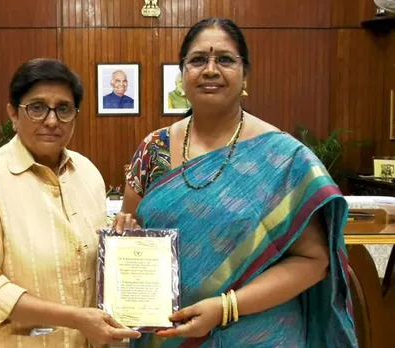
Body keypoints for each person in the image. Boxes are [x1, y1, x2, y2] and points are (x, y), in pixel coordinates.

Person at [115, 18, 358, 347]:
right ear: (183, 73)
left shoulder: (283, 157)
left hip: (260, 334)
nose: (211, 69)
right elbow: (132, 237)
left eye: (225, 60)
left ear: (245, 75)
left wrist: (226, 307)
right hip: (166, 335)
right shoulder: (153, 149)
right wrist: (123, 235)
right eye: (198, 59)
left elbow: (314, 261)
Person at [0, 58, 140, 347]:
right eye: (37, 108)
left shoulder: (87, 172)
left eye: (63, 109)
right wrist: (75, 318)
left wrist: (120, 240)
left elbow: (89, 255)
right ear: (13, 114)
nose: (52, 120)